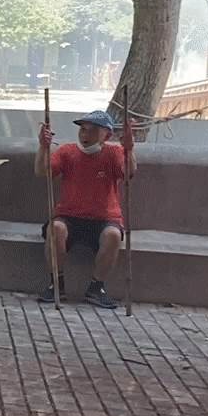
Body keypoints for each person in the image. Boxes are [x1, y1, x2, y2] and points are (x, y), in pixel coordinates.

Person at [38, 109, 135, 309]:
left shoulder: (114, 153)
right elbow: (42, 171)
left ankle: (96, 287)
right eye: (83, 130)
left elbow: (128, 174)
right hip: (69, 215)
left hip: (103, 218)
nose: (85, 135)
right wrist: (43, 147)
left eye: (92, 131)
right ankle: (56, 283)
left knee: (113, 235)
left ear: (106, 135)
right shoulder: (67, 151)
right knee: (55, 229)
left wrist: (129, 150)